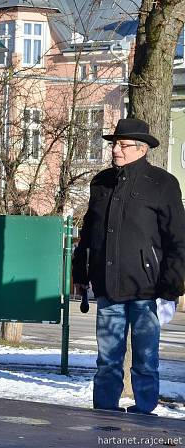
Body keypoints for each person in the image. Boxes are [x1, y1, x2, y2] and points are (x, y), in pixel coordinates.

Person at [73, 117, 185, 415]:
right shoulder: (101, 182)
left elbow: (177, 239)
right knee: (108, 359)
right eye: (114, 144)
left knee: (146, 359)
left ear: (142, 149)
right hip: (108, 286)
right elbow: (89, 232)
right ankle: (105, 414)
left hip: (147, 290)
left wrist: (170, 289)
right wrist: (81, 272)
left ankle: (145, 413)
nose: (115, 150)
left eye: (123, 145)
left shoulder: (163, 184)